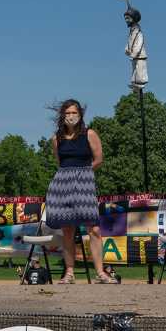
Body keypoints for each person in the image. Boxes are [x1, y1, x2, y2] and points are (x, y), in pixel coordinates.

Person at [45, 100, 118, 283]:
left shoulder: (89, 134)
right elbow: (59, 162)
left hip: (84, 183)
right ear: (62, 116)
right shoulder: (56, 139)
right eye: (67, 113)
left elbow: (99, 159)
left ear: (80, 115)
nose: (71, 116)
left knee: (93, 228)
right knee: (67, 229)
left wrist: (84, 174)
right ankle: (69, 272)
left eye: (74, 112)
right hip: (62, 185)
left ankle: (100, 272)